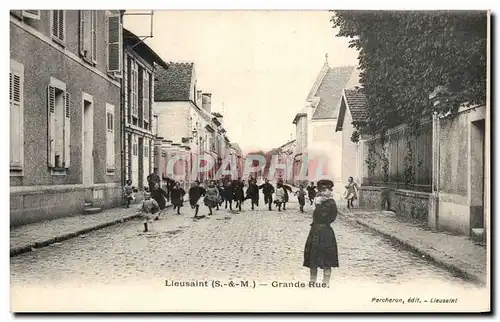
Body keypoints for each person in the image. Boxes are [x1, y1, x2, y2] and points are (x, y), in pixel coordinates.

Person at [303, 179, 339, 287]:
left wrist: (319, 206)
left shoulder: (331, 203)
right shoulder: (317, 201)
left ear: (330, 191)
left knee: (327, 259)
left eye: (326, 190)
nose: (323, 192)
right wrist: (317, 205)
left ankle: (325, 283)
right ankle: (312, 281)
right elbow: (315, 217)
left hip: (326, 233)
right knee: (313, 258)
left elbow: (330, 217)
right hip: (314, 232)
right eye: (321, 190)